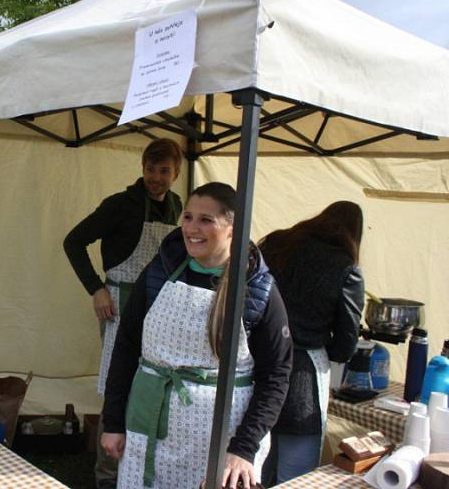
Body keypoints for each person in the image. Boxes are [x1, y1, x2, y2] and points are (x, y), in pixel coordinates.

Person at [101, 182, 293, 489]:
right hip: (149, 420)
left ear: (233, 227)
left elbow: (277, 375)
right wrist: (112, 421)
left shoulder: (257, 289)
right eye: (188, 217)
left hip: (221, 438)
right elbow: (125, 347)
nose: (192, 228)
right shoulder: (160, 270)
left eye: (206, 220)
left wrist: (244, 447)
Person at [63, 138, 183, 489]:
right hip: (118, 301)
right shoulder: (120, 205)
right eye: (150, 169)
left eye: (163, 171)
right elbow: (73, 241)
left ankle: (142, 465)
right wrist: (96, 288)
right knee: (118, 384)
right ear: (142, 168)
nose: (155, 178)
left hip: (158, 305)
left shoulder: (176, 207)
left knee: (150, 383)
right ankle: (107, 475)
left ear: (175, 173)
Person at [259, 201, 364, 485]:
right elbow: (345, 345)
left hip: (258, 363)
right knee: (296, 476)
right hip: (302, 377)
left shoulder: (277, 242)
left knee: (252, 467)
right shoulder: (346, 268)